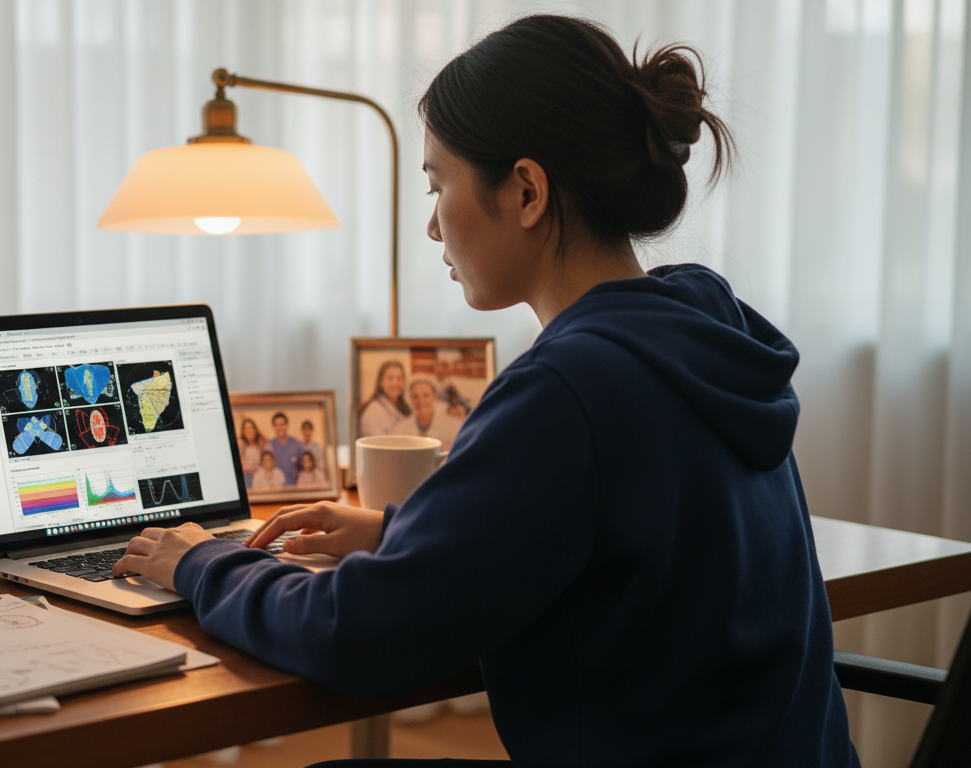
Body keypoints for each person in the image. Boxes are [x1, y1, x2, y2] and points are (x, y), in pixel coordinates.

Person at [116, 14, 858, 766]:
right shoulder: (702, 332)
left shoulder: (569, 388)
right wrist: (401, 535)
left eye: (438, 184)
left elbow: (361, 636)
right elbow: (609, 533)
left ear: (526, 191)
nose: (433, 226)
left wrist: (202, 562)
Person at [392, 379, 465, 447]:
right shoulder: (401, 428)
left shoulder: (452, 425)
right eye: (415, 396)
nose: (421, 401)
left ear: (434, 396)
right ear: (410, 398)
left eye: (426, 395)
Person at [357, 360, 410, 436]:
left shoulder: (406, 409)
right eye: (390, 378)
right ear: (381, 382)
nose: (395, 383)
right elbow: (380, 441)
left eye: (399, 378)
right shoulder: (373, 411)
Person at [264, 412, 305, 485]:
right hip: (275, 487)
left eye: (282, 424)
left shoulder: (297, 444)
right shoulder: (269, 445)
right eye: (277, 425)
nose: (280, 428)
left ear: (287, 425)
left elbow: (303, 468)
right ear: (274, 427)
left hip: (294, 486)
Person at [236, 417, 265, 488]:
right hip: (245, 477)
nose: (249, 431)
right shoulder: (240, 444)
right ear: (243, 431)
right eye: (246, 429)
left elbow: (266, 462)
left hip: (259, 476)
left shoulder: (261, 444)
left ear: (255, 430)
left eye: (251, 428)